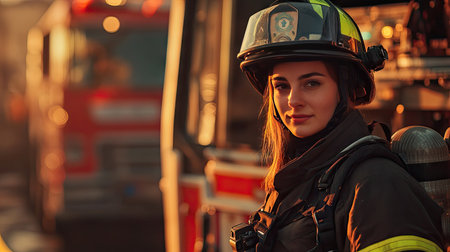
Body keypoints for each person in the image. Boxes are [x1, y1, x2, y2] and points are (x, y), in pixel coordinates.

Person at [233, 0, 446, 251]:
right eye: (281, 86)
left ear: (344, 89)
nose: (293, 100)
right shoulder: (301, 176)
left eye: (311, 83)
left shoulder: (377, 186)